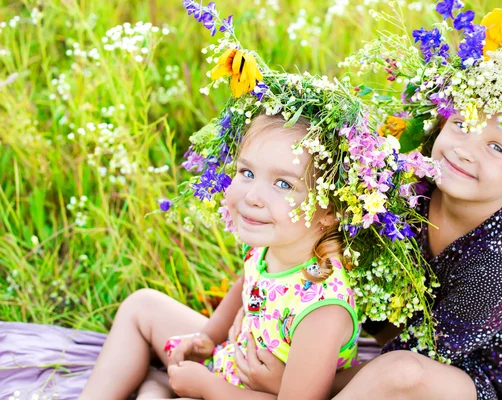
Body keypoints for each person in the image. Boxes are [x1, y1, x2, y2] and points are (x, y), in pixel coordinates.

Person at [219, 2, 502, 400]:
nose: (466, 151)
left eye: (496, 148)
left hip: (465, 382)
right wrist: (257, 307)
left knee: (401, 371)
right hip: (392, 340)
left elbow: (415, 358)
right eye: (461, 124)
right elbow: (317, 246)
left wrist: (295, 384)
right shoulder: (410, 189)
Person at [80, 2, 440, 398]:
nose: (252, 196)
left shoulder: (322, 309)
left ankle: (158, 386)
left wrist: (207, 388)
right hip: (226, 362)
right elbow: (246, 283)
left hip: (239, 391)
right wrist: (206, 338)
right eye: (247, 173)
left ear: (329, 212)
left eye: (283, 184)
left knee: (155, 393)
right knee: (141, 305)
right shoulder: (275, 245)